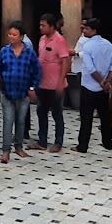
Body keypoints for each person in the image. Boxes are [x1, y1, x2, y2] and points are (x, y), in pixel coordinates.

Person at [0, 22, 40, 163]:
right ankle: (6, 151)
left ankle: (18, 147)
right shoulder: (4, 51)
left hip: (23, 93)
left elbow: (36, 71)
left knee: (20, 121)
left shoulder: (29, 52)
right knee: (8, 121)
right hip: (7, 92)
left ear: (21, 37)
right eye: (10, 34)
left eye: (14, 34)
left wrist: (32, 88)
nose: (11, 37)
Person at [73, 18, 112, 152]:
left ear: (93, 30)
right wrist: (107, 81)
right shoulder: (109, 45)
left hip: (89, 86)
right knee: (105, 116)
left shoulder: (88, 46)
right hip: (103, 87)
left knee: (86, 117)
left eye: (87, 29)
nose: (84, 30)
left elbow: (90, 67)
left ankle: (83, 145)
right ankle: (107, 142)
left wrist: (101, 81)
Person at [35, 13, 71, 153]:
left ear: (52, 26)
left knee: (57, 114)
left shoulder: (59, 40)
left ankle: (58, 142)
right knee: (41, 112)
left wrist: (61, 82)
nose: (41, 28)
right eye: (40, 25)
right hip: (42, 83)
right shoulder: (42, 39)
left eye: (43, 25)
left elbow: (65, 61)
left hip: (55, 84)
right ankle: (42, 141)